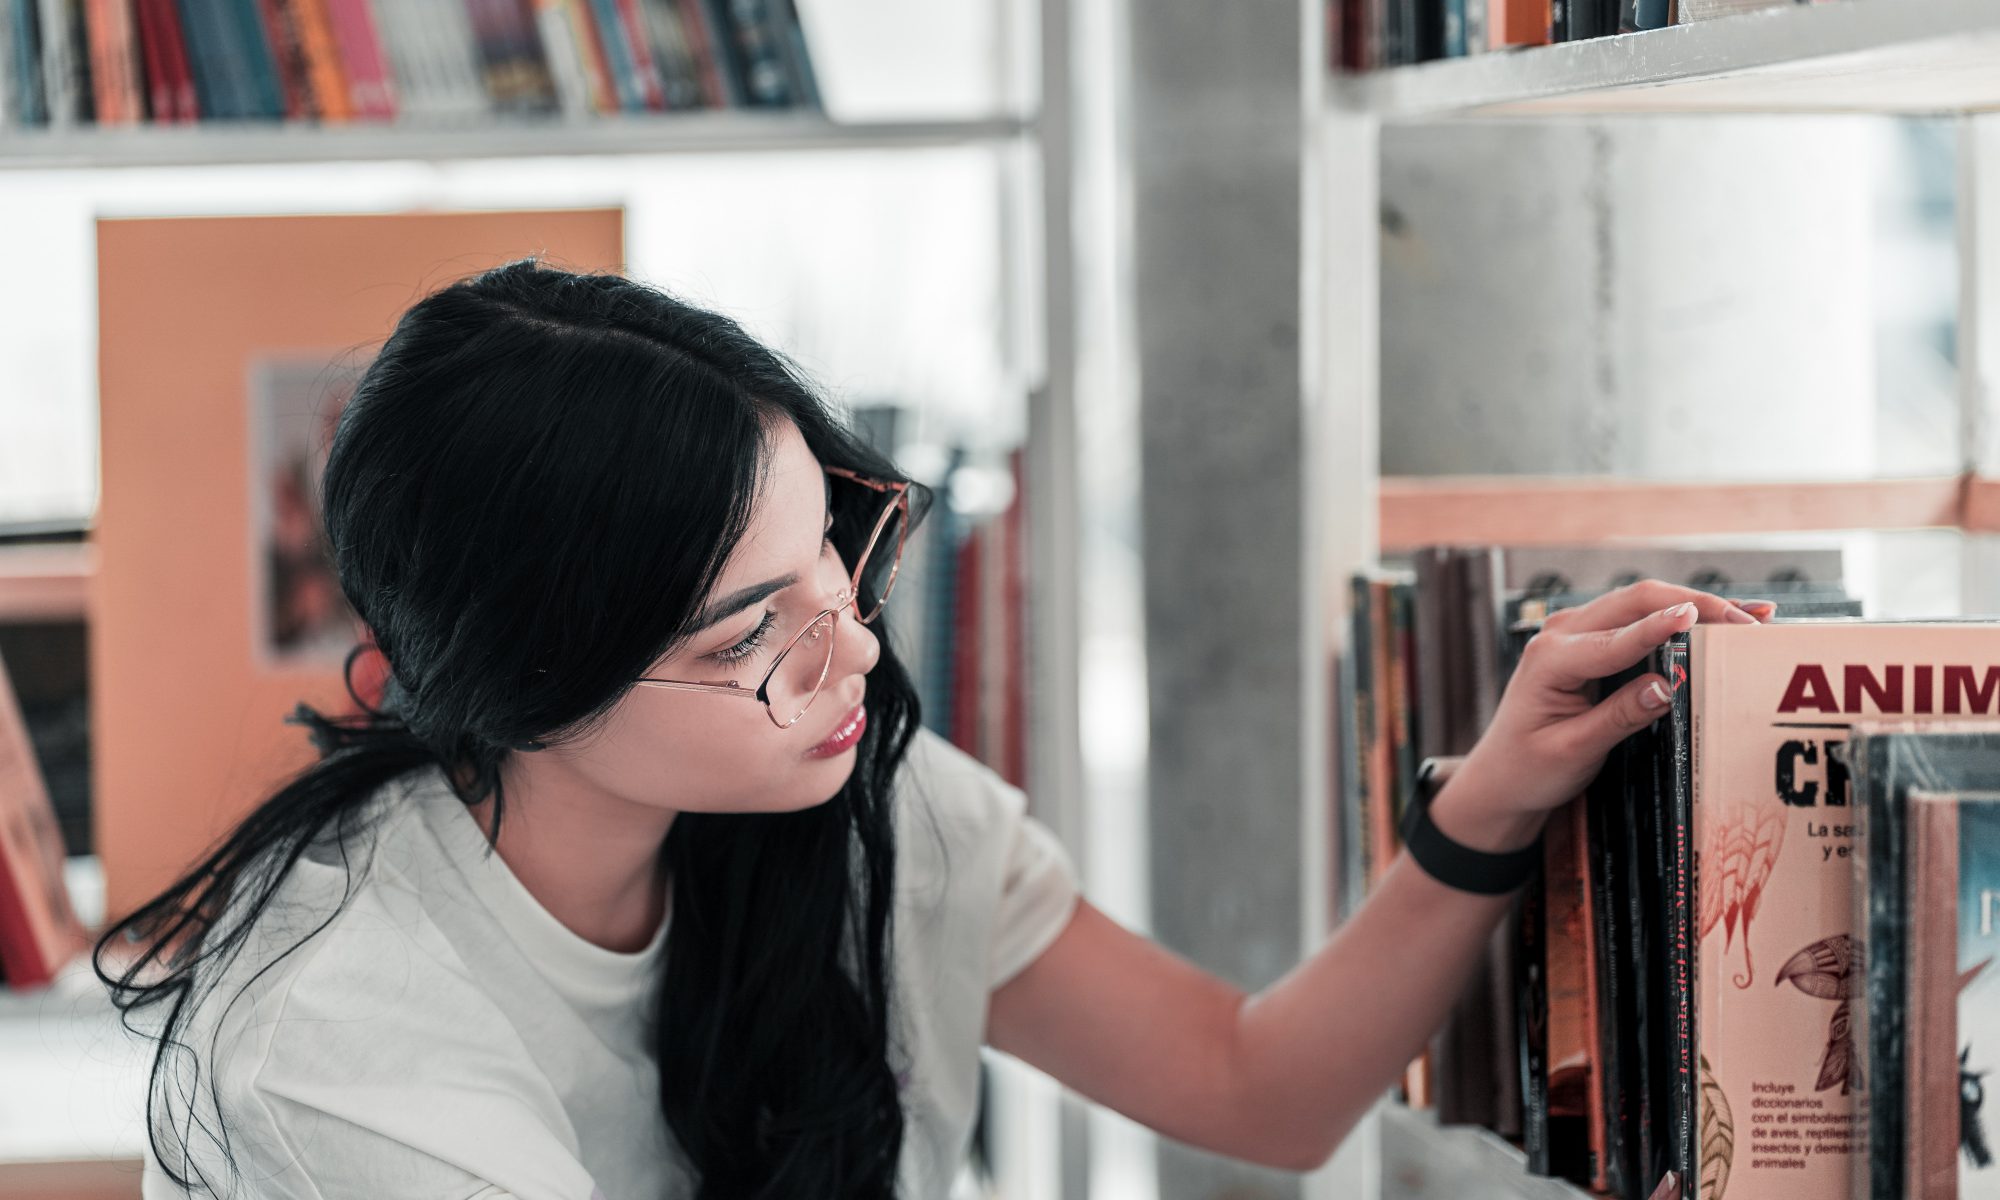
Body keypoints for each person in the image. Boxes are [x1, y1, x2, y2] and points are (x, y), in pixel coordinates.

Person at [97, 259, 1766, 1200]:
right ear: (527, 682)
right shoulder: (343, 1045)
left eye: (833, 548)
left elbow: (1259, 1090)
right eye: (756, 630)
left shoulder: (852, 789)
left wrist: (1493, 798)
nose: (853, 645)